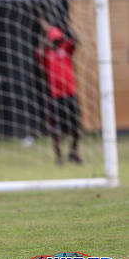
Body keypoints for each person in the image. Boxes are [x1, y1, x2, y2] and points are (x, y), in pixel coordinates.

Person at [35, 18, 83, 166]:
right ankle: (59, 157)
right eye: (54, 40)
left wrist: (70, 25)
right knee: (56, 130)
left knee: (77, 129)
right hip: (55, 97)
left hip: (70, 94)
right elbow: (39, 50)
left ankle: (73, 153)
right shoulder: (45, 53)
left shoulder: (66, 48)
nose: (56, 42)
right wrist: (46, 31)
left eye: (58, 39)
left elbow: (77, 40)